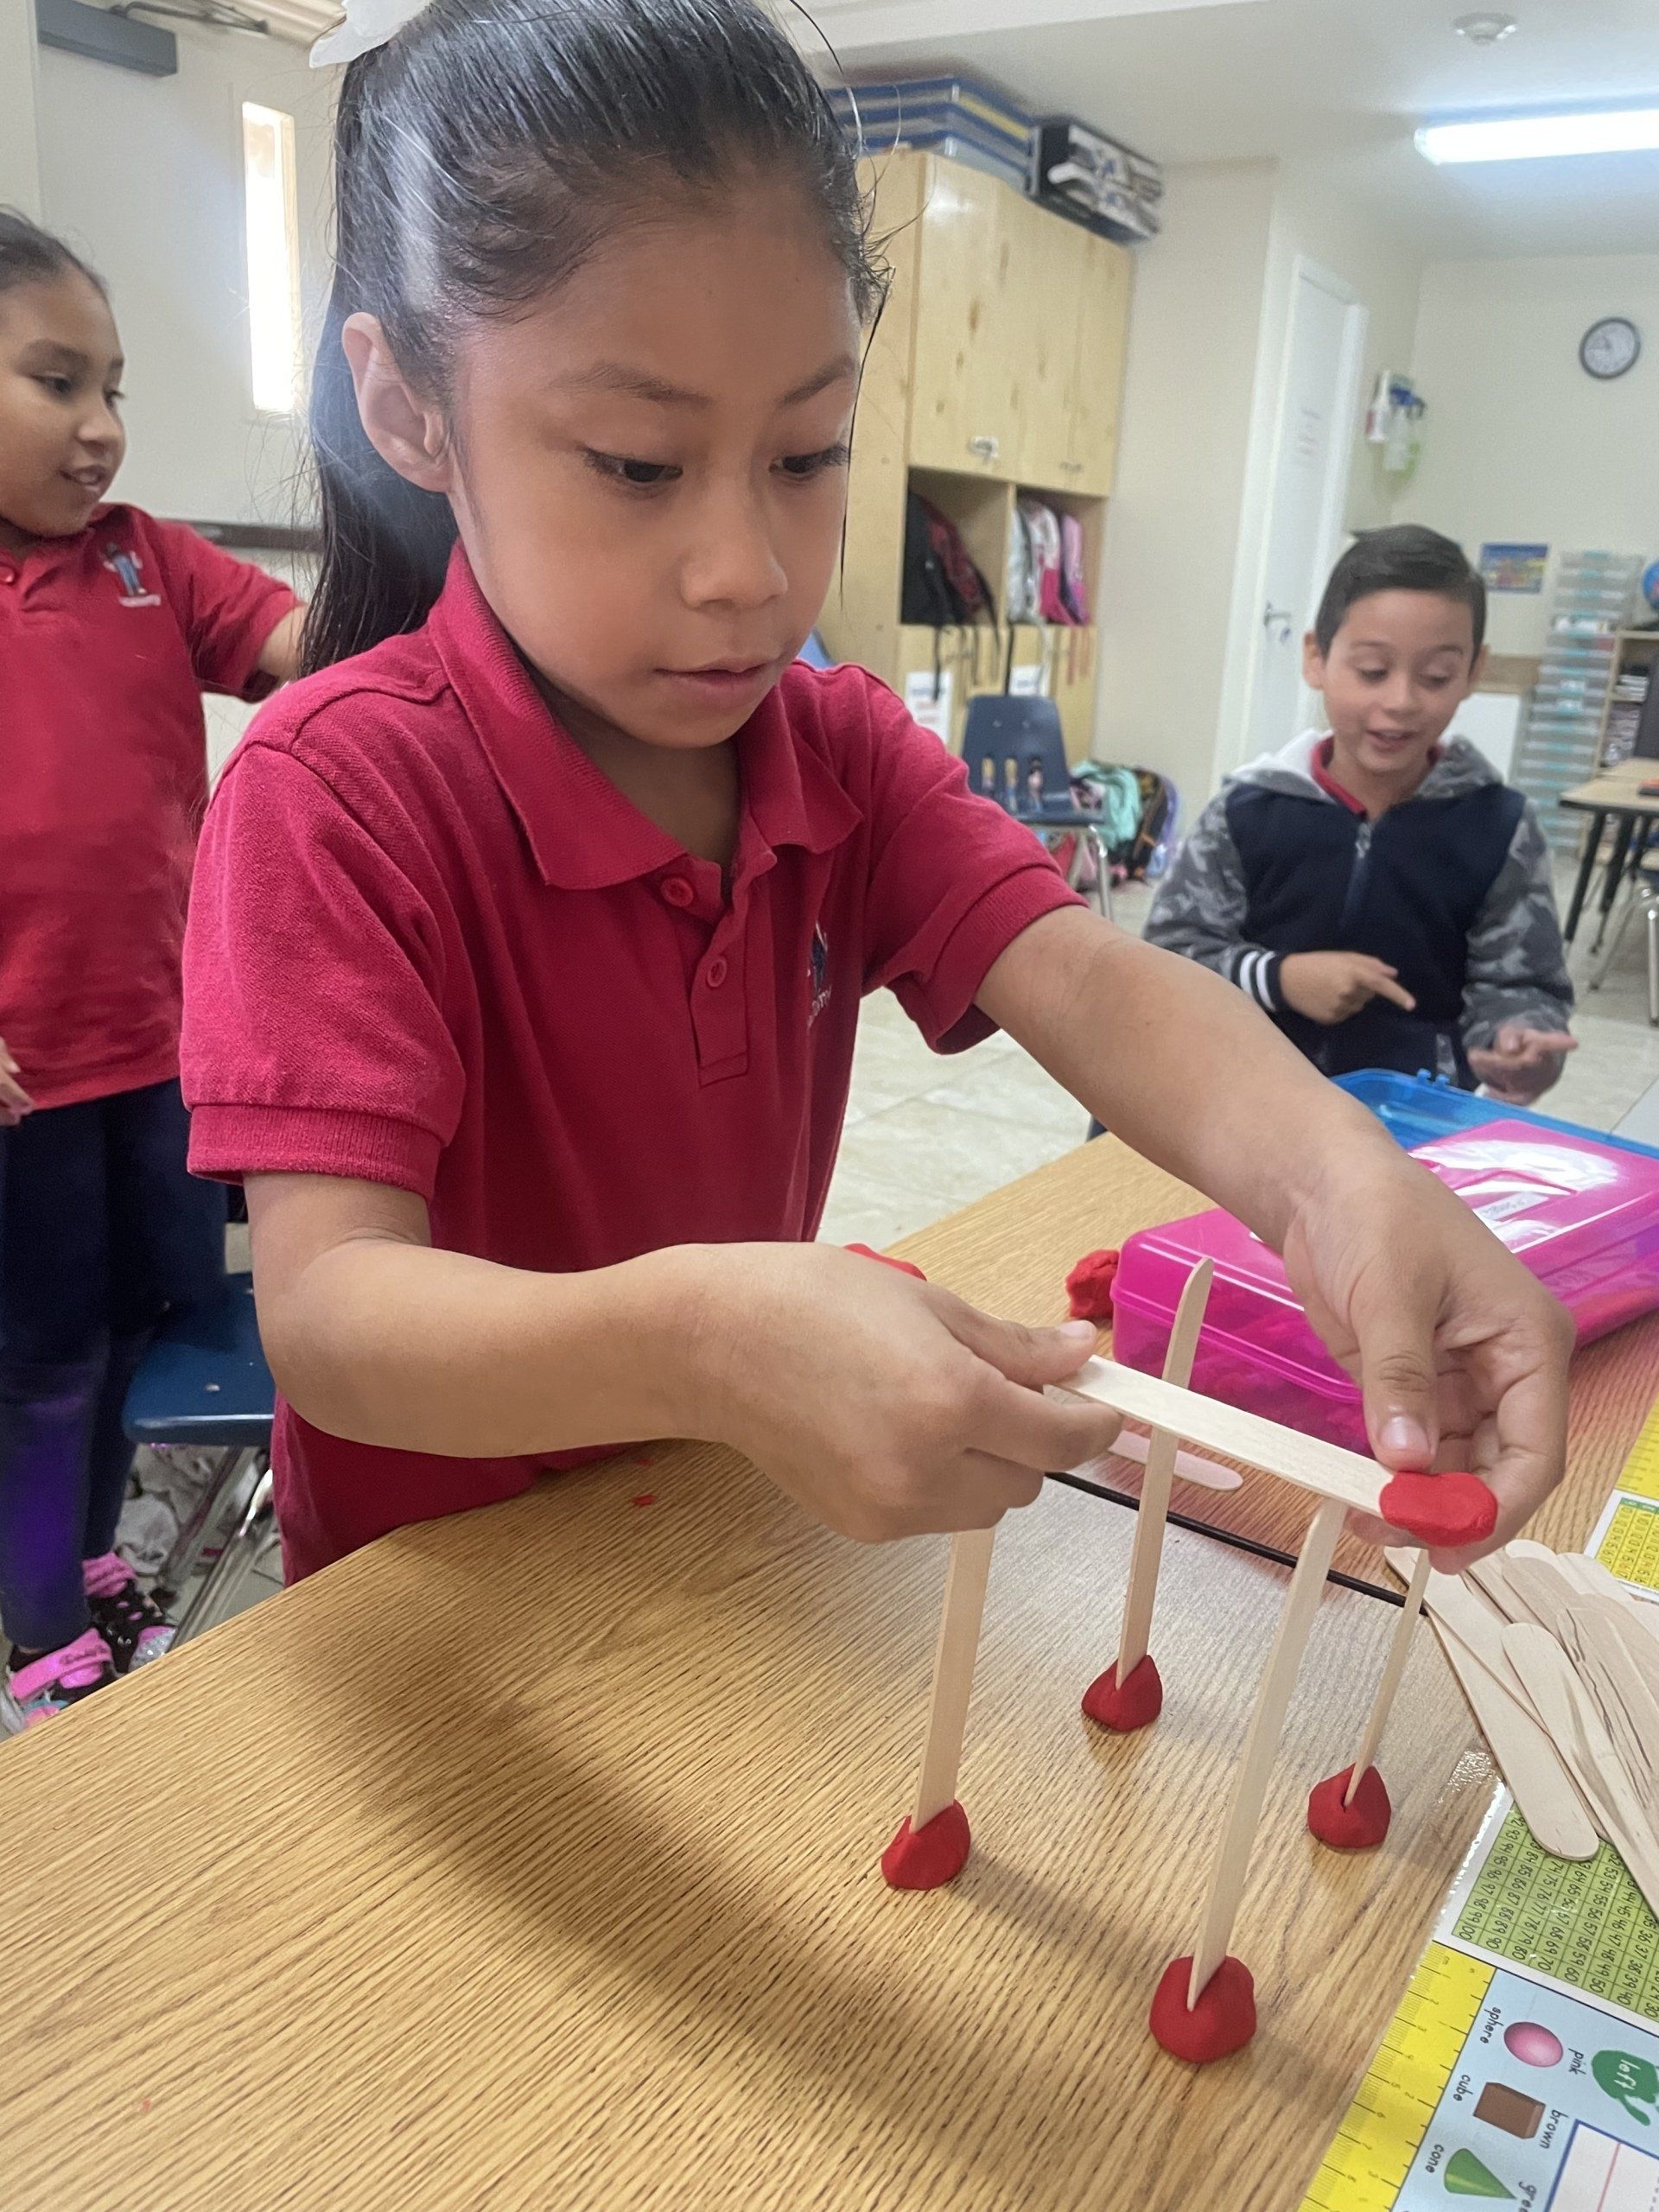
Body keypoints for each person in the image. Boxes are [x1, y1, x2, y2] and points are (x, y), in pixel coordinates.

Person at [181, 0, 1569, 1604]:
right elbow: (335, 1318)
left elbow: (1091, 979)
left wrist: (1343, 1180)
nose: (746, 571)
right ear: (408, 407)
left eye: (808, 452)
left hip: (722, 1548)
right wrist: (708, 1342)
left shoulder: (834, 749)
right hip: (430, 1613)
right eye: (636, 463)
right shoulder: (336, 794)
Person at [0, 213, 304, 1729]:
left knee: (146, 1331)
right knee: (44, 1359)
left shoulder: (145, 560)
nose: (102, 425)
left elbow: (302, 641)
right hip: (25, 1082)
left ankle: (88, 1557)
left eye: (111, 387)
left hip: (163, 1053)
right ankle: (38, 1628)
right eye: (57, 382)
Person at [1147, 525, 1575, 1103]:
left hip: (1404, 1116)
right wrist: (1281, 979)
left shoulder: (1500, 827)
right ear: (1316, 658)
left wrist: (1518, 1043)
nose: (1400, 701)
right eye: (1373, 670)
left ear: (1474, 671)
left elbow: (1521, 984)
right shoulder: (1246, 810)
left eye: (1436, 677)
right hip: (1243, 1102)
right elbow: (1170, 957)